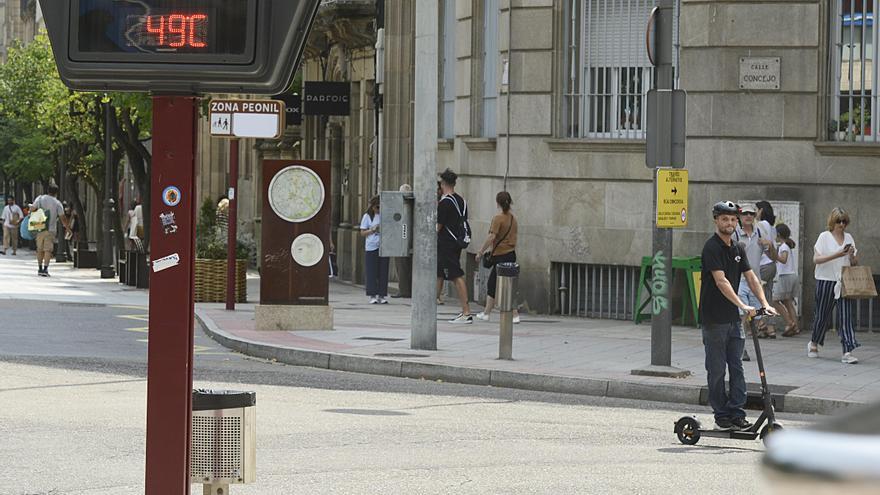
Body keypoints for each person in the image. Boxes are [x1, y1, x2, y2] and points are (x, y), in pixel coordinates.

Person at [700, 201, 777, 431]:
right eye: (725, 219)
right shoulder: (711, 248)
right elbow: (721, 281)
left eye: (733, 219)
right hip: (714, 318)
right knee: (716, 370)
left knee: (737, 367)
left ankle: (736, 413)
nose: (729, 223)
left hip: (733, 319)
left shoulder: (738, 247)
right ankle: (721, 415)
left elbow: (752, 277)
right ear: (716, 220)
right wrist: (743, 304)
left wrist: (764, 303)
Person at [808, 207, 861, 364]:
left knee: (845, 317)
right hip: (825, 279)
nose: (842, 224)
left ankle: (847, 351)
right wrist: (837, 254)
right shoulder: (824, 237)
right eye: (839, 221)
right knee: (822, 315)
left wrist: (851, 255)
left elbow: (855, 262)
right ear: (832, 221)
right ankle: (813, 343)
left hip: (843, 281)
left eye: (844, 221)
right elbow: (816, 259)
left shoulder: (849, 237)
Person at [475, 191, 520, 324]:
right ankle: (488, 313)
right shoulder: (513, 219)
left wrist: (480, 251)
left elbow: (492, 236)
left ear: (497, 203)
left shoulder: (497, 218)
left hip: (500, 255)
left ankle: (512, 314)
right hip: (511, 254)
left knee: (493, 284)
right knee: (507, 284)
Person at [735, 203, 777, 338]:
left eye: (751, 214)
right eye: (745, 214)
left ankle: (743, 336)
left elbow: (773, 257)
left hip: (755, 281)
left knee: (757, 315)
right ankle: (741, 346)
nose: (748, 216)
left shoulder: (759, 231)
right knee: (743, 313)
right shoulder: (735, 233)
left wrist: (769, 246)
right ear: (739, 216)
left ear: (755, 216)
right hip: (739, 280)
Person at [436, 168, 472, 323]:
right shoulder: (462, 201)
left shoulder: (445, 203)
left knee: (456, 276)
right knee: (440, 272)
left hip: (447, 244)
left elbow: (438, 227)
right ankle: (433, 302)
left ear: (443, 184)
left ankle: (466, 312)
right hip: (457, 242)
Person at [31, 185, 70, 277]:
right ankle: (45, 269)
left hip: (39, 227)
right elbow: (62, 217)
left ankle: (39, 268)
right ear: (56, 192)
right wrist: (67, 227)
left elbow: (32, 208)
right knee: (48, 250)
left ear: (47, 190)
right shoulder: (57, 203)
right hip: (50, 229)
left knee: (39, 249)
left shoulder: (39, 199)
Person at [772, 224, 800, 337]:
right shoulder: (786, 245)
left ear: (778, 234)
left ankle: (789, 322)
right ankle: (796, 327)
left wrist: (774, 255)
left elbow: (783, 259)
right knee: (787, 302)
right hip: (792, 275)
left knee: (774, 301)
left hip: (785, 276)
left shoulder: (783, 246)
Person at [360, 195, 389, 304]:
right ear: (372, 207)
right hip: (372, 246)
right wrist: (372, 230)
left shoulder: (385, 215)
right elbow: (362, 232)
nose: (378, 209)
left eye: (380, 207)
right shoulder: (367, 216)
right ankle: (372, 294)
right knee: (372, 271)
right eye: (377, 207)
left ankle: (382, 295)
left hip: (384, 246)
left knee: (383, 271)